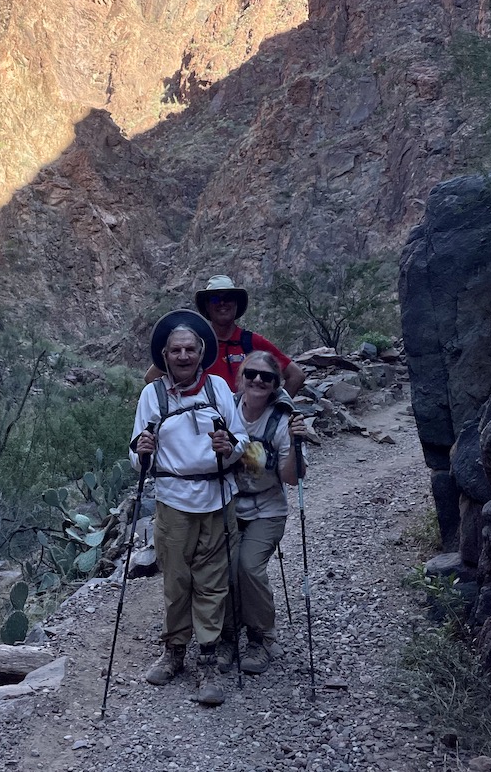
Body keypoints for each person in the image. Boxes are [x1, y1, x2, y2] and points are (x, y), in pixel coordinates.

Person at [130, 309, 249, 707]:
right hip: (173, 501)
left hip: (217, 497)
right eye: (176, 350)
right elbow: (137, 453)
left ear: (202, 352)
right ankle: (174, 652)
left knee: (213, 581)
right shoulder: (153, 395)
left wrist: (229, 449)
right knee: (176, 580)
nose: (183, 356)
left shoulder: (218, 390)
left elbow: (242, 441)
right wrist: (141, 451)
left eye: (190, 349)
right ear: (165, 355)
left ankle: (209, 661)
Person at [217, 351, 307, 675]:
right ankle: (228, 635)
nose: (257, 380)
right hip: (227, 503)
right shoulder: (226, 411)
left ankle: (260, 637)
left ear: (274, 385)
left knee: (248, 567)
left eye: (266, 377)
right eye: (251, 374)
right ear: (241, 378)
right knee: (222, 568)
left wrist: (297, 444)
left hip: (267, 507)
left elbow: (292, 478)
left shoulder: (282, 421)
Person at [145, 274, 305, 396]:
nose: (222, 303)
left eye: (228, 298)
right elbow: (151, 377)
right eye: (215, 299)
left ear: (236, 304)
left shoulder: (252, 342)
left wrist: (273, 412)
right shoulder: (193, 345)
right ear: (207, 306)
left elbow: (296, 375)